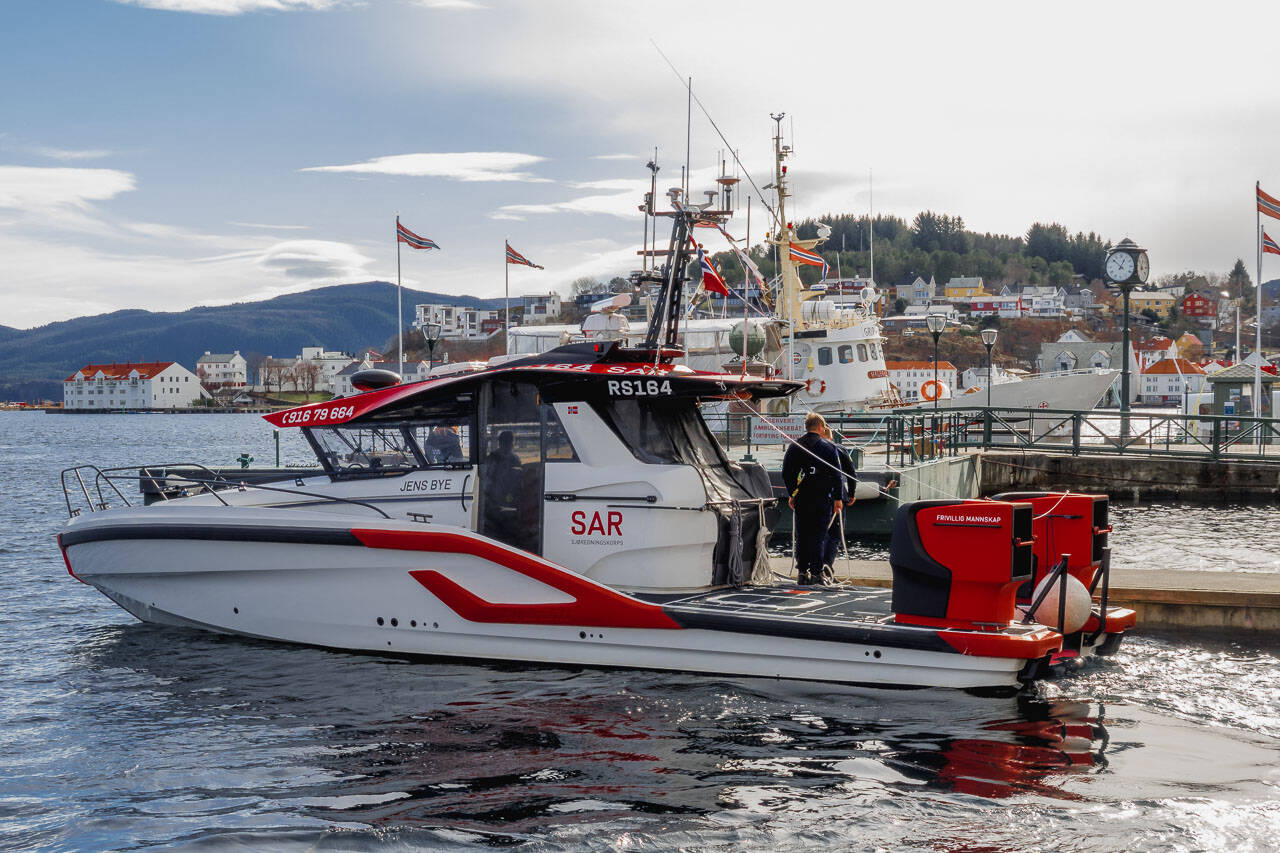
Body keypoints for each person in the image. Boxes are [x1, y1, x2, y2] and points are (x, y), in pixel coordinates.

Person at [781, 412, 847, 586]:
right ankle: (817, 573)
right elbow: (837, 474)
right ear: (819, 426)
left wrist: (792, 493)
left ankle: (802, 572)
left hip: (802, 496)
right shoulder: (827, 447)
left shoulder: (795, 446)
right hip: (821, 497)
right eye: (823, 426)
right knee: (818, 535)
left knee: (802, 535)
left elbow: (786, 473)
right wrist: (838, 498)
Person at [821, 424, 858, 575]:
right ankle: (827, 568)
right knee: (834, 534)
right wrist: (851, 493)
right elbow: (851, 474)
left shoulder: (808, 449)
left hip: (815, 495)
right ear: (831, 437)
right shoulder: (840, 449)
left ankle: (812, 568)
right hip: (836, 495)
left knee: (817, 534)